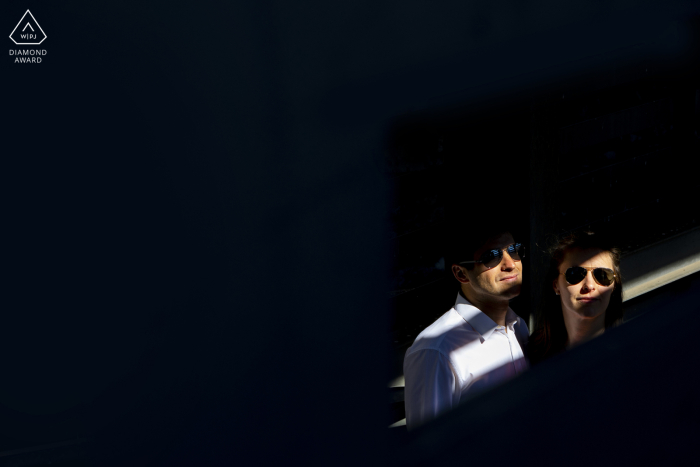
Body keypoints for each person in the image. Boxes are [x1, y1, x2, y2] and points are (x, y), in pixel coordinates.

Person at [402, 222, 529, 429]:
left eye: (514, 251)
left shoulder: (518, 326)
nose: (511, 264)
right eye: (492, 257)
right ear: (461, 274)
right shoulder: (436, 351)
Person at [529, 230, 623, 365]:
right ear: (556, 285)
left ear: (614, 285)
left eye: (602, 275)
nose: (589, 285)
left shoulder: (631, 354)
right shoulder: (530, 355)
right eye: (575, 274)